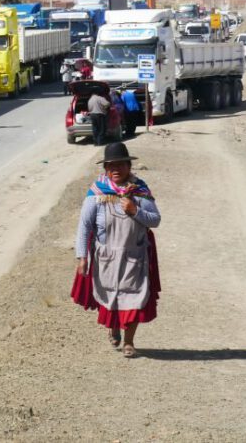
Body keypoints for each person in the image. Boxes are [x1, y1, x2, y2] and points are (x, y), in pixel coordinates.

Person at [72, 142, 161, 359]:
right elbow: (84, 226)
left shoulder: (140, 191)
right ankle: (113, 328)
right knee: (110, 296)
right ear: (105, 168)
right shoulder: (97, 192)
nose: (115, 169)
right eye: (111, 165)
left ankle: (129, 342)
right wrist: (81, 257)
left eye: (120, 164)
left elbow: (155, 220)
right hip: (106, 257)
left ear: (129, 166)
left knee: (133, 298)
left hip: (135, 256)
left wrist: (135, 210)